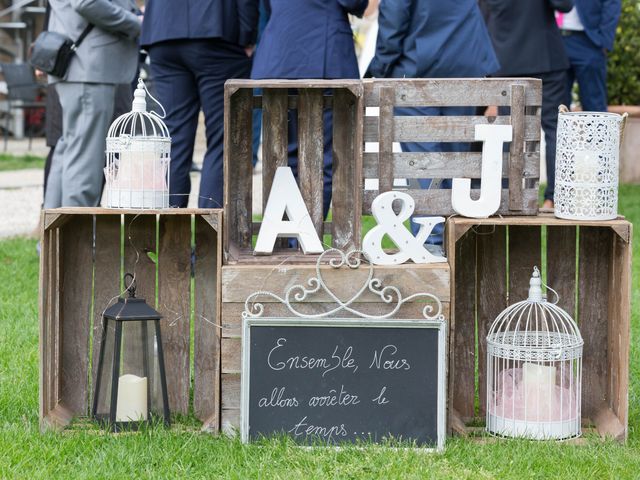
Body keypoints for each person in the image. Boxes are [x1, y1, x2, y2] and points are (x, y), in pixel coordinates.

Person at [366, 0, 499, 246]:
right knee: (455, 162)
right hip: (465, 61)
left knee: (423, 163)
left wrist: (379, 69)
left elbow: (394, 16)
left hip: (418, 68)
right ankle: (454, 241)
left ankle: (430, 242)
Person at [251, 0, 368, 218]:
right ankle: (308, 239)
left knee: (285, 154)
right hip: (325, 55)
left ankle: (290, 237)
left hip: (279, 56)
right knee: (326, 156)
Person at [140, 0, 259, 208]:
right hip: (216, 33)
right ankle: (211, 235)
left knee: (174, 139)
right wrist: (248, 36)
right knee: (224, 138)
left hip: (162, 32)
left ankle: (172, 236)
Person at [44, 0, 141, 209]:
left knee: (69, 150)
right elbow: (87, 2)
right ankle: (78, 236)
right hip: (88, 66)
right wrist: (137, 23)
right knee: (84, 160)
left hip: (80, 65)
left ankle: (53, 238)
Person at [481, 0, 574, 210]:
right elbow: (565, 4)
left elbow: (482, 15)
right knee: (555, 128)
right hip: (545, 57)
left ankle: (505, 197)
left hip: (505, 61)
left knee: (509, 132)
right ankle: (554, 198)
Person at [558, 0, 621, 113]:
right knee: (556, 105)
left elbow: (612, 3)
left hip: (588, 40)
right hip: (554, 38)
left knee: (594, 104)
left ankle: (598, 131)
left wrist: (604, 41)